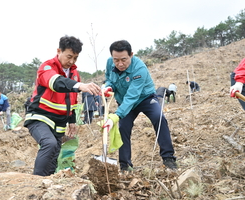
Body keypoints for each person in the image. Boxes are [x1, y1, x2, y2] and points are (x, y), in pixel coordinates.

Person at [24, 35, 101, 176]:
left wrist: (72, 121)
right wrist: (79, 85)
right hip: (40, 117)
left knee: (54, 154)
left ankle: (48, 184)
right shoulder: (47, 67)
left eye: (75, 58)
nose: (71, 61)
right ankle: (35, 181)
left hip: (59, 123)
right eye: (69, 56)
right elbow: (56, 83)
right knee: (49, 144)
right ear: (59, 51)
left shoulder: (74, 74)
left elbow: (72, 100)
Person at [102, 40, 177, 172]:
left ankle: (168, 158)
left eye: (124, 60)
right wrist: (108, 86)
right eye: (116, 60)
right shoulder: (109, 62)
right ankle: (125, 166)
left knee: (159, 118)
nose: (120, 64)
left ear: (131, 55)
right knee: (123, 128)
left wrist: (116, 116)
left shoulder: (139, 69)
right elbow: (109, 78)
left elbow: (133, 96)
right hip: (124, 101)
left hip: (145, 99)